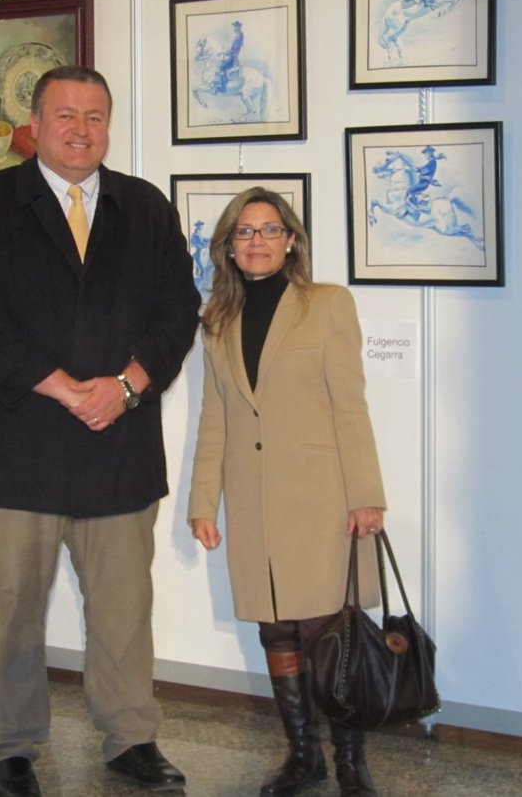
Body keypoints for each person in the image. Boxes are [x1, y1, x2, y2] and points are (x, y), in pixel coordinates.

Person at [0, 65, 201, 797]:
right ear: (34, 124)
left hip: (118, 445)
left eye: (94, 116)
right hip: (13, 448)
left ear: (108, 126)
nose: (81, 130)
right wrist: (62, 386)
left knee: (124, 612)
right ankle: (11, 748)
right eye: (65, 115)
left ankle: (132, 739)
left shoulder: (144, 207)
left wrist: (126, 387)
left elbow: (177, 312)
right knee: (11, 615)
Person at [187, 188, 387, 797]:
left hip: (321, 498)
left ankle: (349, 760)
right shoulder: (216, 320)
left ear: (291, 240)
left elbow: (350, 405)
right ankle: (304, 757)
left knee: (332, 632)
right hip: (252, 501)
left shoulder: (326, 305)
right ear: (228, 246)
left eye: (270, 229)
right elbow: (216, 417)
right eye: (245, 232)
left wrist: (367, 495)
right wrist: (202, 502)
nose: (258, 241)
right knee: (275, 630)